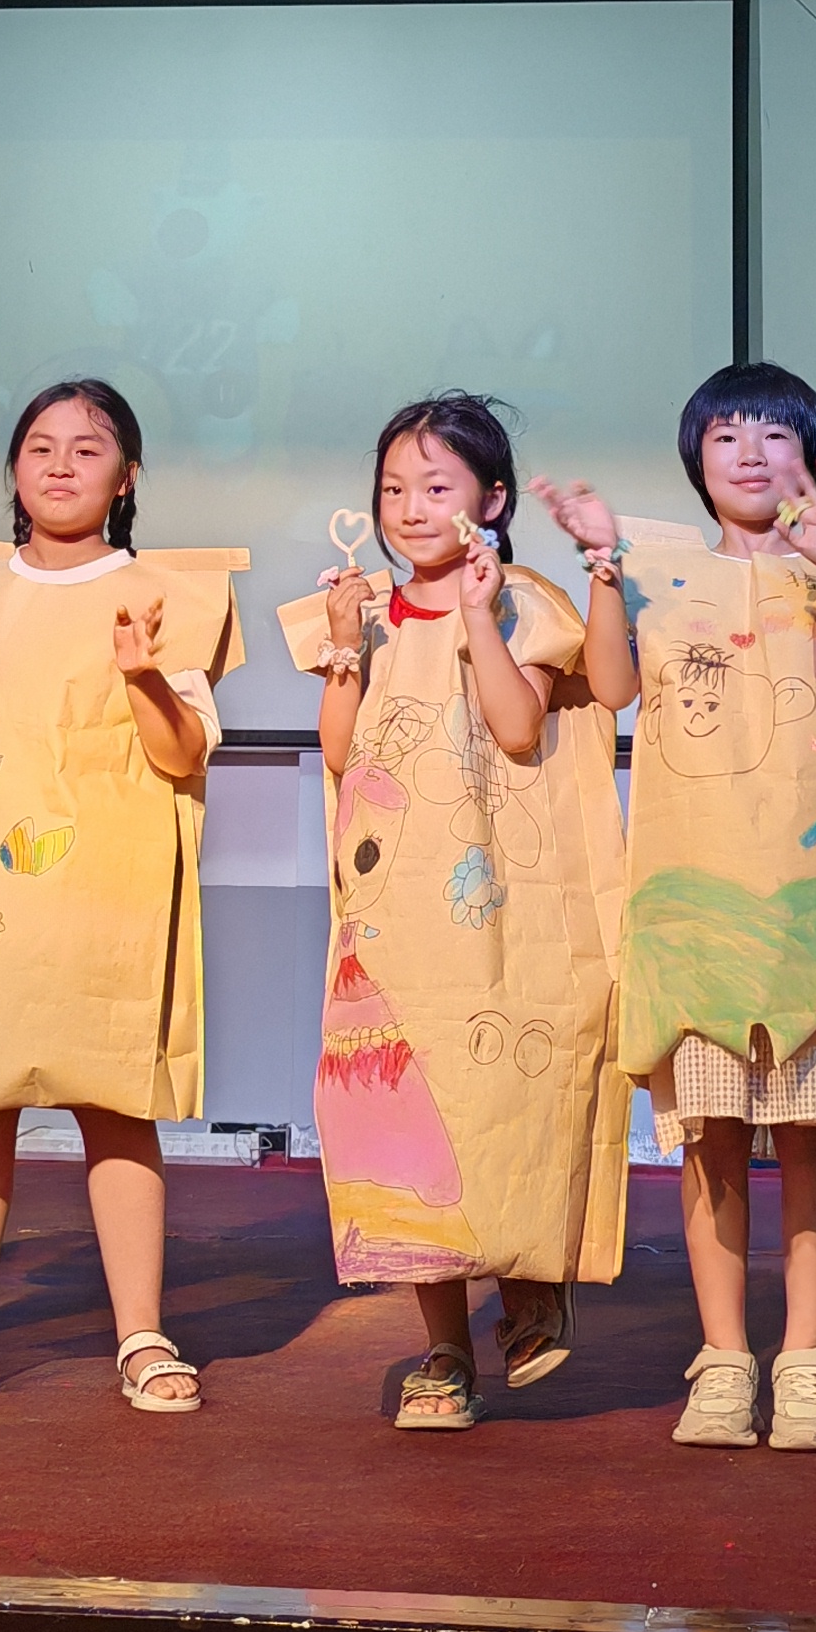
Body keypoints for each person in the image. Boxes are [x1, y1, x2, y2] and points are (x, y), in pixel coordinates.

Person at [538, 360, 816, 1456]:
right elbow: (614, 688)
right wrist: (602, 564)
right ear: (695, 462)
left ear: (814, 457)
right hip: (694, 903)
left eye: (773, 434)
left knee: (813, 1138)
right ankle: (722, 1360)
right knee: (707, 1140)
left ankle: (804, 1364)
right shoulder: (657, 574)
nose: (750, 454)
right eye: (725, 437)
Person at [0, 381, 245, 1417]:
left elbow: (181, 755)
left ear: (127, 476)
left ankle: (141, 1333)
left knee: (117, 1110)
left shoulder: (165, 594)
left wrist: (142, 674)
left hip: (103, 895)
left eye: (87, 448)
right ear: (14, 469)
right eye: (39, 446)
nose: (60, 465)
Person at [296, 394, 624, 1433]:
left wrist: (478, 615)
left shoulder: (523, 600)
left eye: (435, 486)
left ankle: (530, 1279)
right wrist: (343, 649)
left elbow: (519, 727)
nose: (408, 507)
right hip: (391, 913)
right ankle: (443, 1347)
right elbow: (342, 754)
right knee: (399, 1118)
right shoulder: (367, 612)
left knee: (503, 1094)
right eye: (392, 488)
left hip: (501, 910)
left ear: (492, 498)